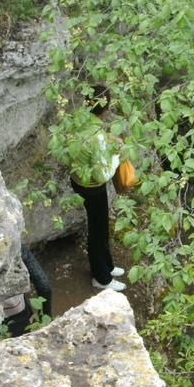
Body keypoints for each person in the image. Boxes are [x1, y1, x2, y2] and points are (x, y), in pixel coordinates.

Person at [69, 86, 127, 292]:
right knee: (98, 231)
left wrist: (109, 141)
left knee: (99, 228)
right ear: (106, 107)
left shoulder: (79, 120)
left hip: (78, 179)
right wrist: (116, 156)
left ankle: (107, 267)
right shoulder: (97, 136)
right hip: (93, 187)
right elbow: (102, 174)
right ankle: (101, 278)